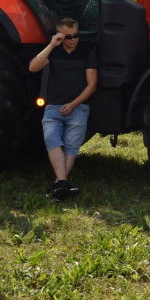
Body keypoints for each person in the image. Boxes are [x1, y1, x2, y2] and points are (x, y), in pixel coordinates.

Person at [28, 17, 97, 200]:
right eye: (68, 37)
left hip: (78, 108)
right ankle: (63, 183)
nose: (73, 39)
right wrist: (51, 46)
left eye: (76, 35)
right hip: (53, 107)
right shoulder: (54, 51)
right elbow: (33, 67)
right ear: (59, 36)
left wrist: (73, 104)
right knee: (52, 140)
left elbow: (92, 85)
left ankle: (59, 184)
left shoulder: (87, 52)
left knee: (71, 146)